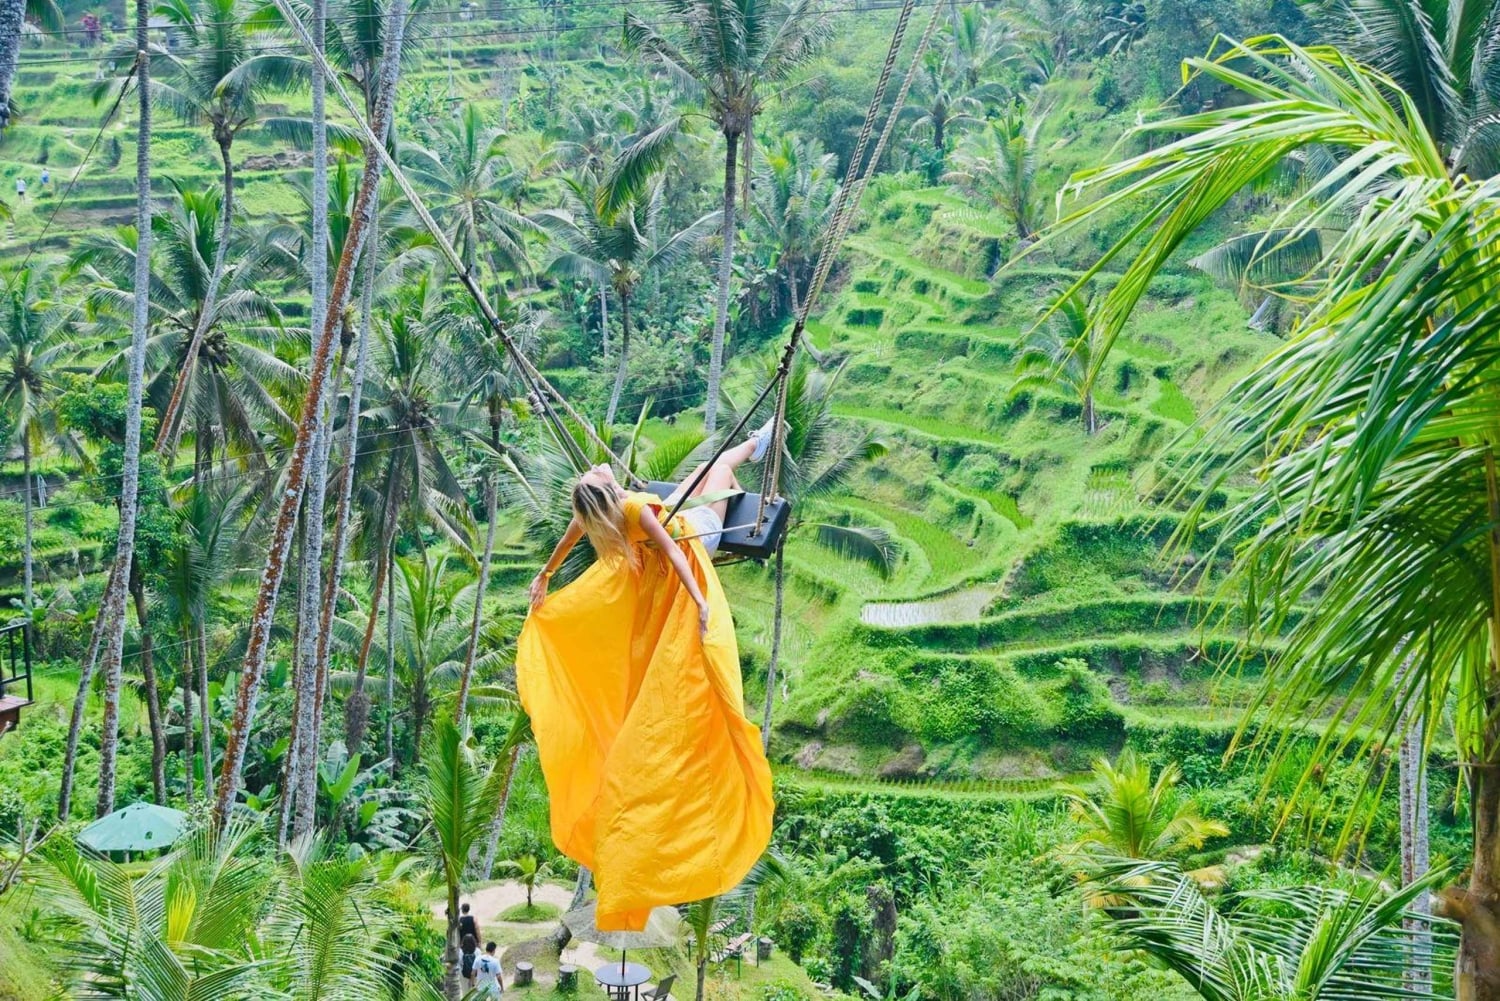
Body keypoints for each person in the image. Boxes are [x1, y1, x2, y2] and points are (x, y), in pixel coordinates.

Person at [518, 421, 779, 933]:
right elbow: (680, 553)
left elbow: (571, 539)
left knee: (704, 471)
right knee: (720, 469)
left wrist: (547, 574)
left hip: (674, 519)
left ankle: (756, 440)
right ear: (609, 492)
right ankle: (758, 443)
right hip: (695, 528)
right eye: (600, 472)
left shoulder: (603, 514)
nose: (601, 466)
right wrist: (701, 602)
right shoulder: (630, 509)